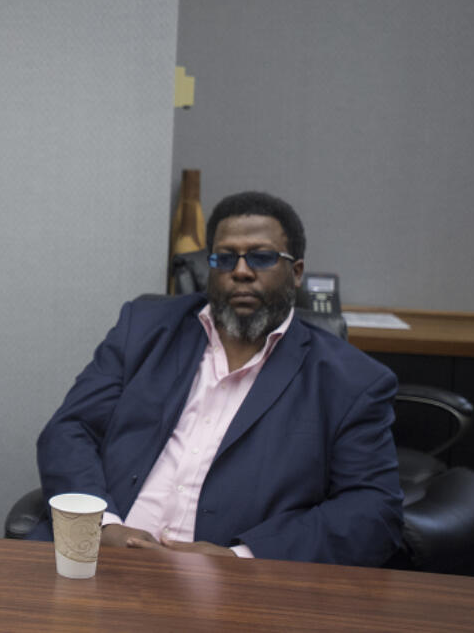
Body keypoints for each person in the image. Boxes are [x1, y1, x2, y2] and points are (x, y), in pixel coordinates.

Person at [30, 191, 403, 565]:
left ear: (297, 272)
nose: (240, 271)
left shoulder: (350, 380)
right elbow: (69, 430)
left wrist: (240, 558)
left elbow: (372, 509)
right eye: (225, 258)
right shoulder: (144, 329)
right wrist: (103, 526)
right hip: (94, 559)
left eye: (261, 256)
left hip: (234, 595)